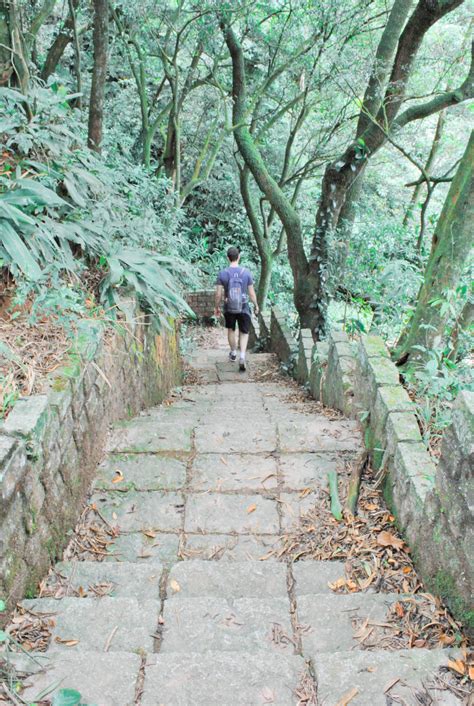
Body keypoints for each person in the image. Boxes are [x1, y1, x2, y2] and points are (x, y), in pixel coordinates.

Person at [214, 246, 259, 371]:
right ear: (238, 257)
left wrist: (217, 307)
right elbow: (251, 293)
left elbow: (218, 294)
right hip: (244, 306)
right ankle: (243, 356)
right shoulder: (246, 273)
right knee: (244, 332)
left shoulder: (222, 273)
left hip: (229, 307)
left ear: (228, 258)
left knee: (231, 330)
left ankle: (233, 352)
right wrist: (256, 305)